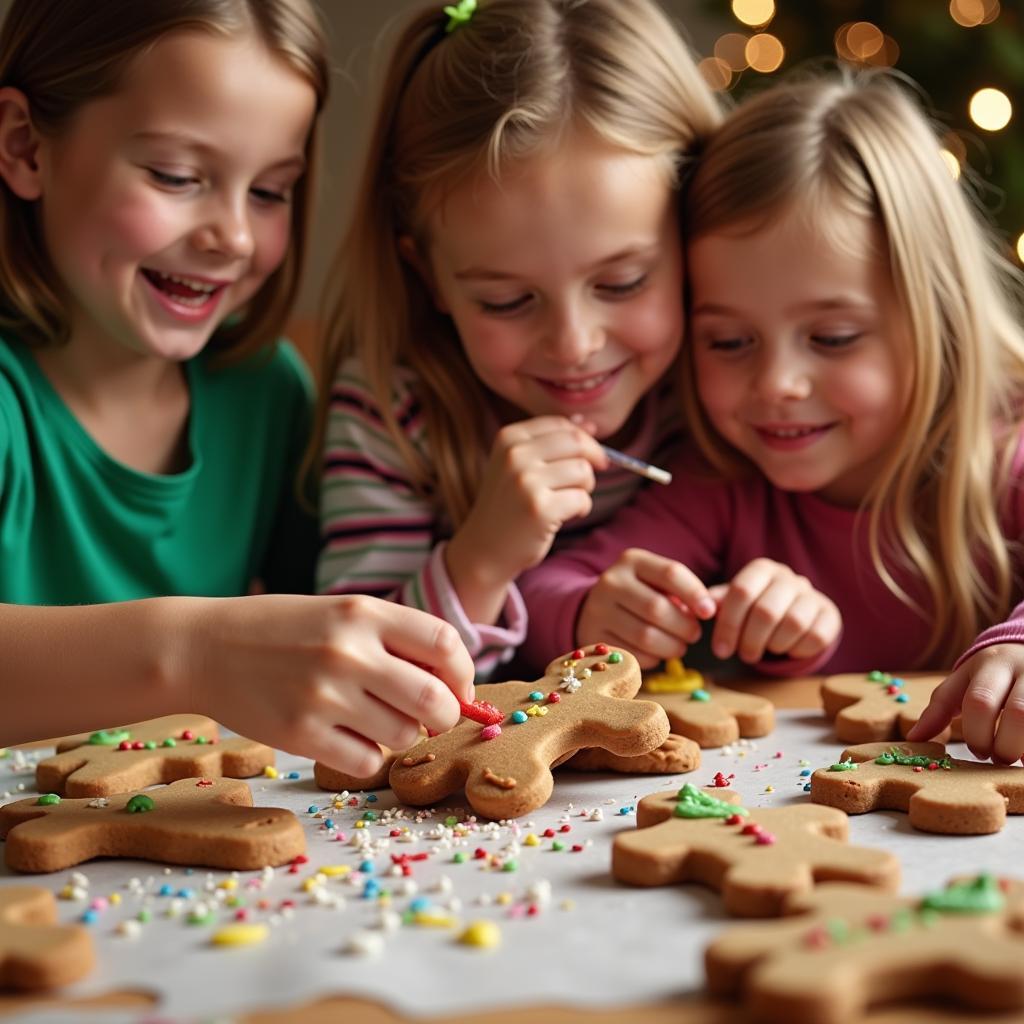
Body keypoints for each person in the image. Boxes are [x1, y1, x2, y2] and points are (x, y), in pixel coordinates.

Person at [0, 0, 474, 776]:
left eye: (270, 191)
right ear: (25, 146)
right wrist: (194, 654)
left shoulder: (262, 389)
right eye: (177, 176)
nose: (236, 237)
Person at [519, 69, 1024, 708]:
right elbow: (544, 588)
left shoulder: (1008, 458)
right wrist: (595, 611)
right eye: (729, 342)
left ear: (938, 320)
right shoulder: (722, 485)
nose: (777, 385)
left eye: (834, 337)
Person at [312, 0, 722, 680]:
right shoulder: (393, 408)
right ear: (430, 277)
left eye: (622, 283)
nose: (572, 343)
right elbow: (355, 672)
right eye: (506, 300)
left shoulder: (728, 384)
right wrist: (483, 556)